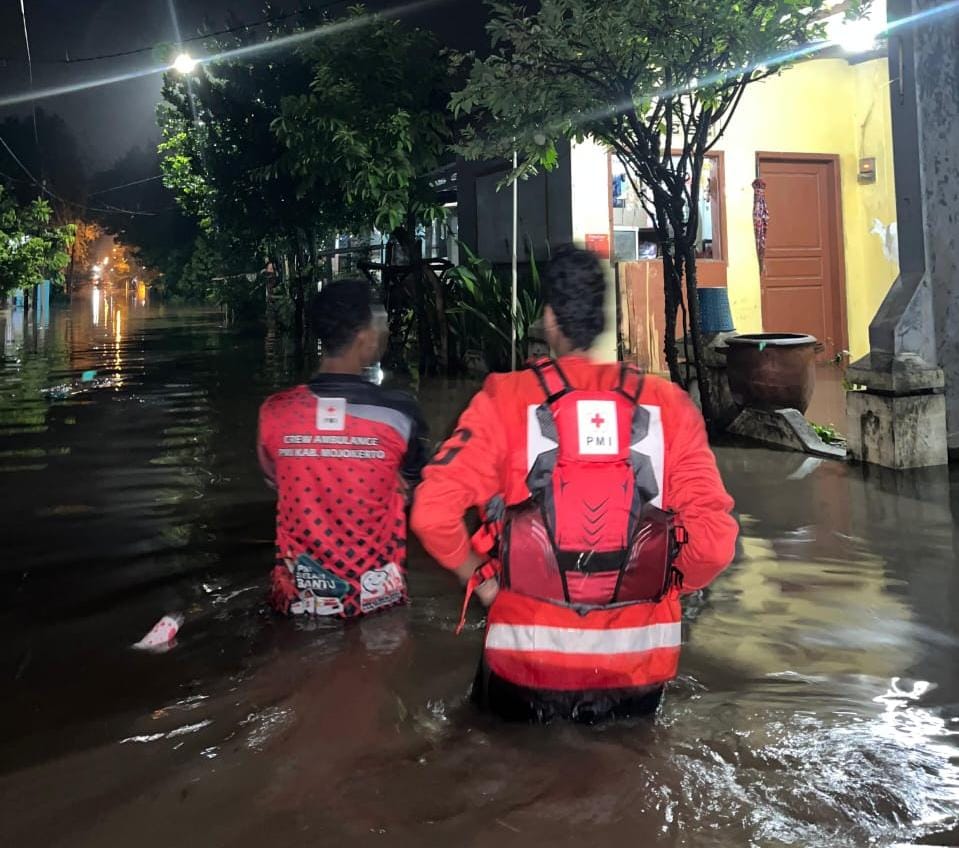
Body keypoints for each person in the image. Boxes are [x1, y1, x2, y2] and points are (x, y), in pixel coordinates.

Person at [410, 246, 738, 723]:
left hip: (525, 663)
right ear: (604, 319)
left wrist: (482, 582)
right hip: (638, 670)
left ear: (548, 318)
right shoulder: (669, 404)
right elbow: (714, 546)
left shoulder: (504, 399)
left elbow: (430, 512)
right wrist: (659, 585)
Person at [258, 279, 428, 620]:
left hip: (294, 604)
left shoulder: (275, 413)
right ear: (364, 336)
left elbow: (278, 479)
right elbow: (415, 492)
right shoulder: (399, 414)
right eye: (380, 323)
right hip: (374, 604)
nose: (386, 331)